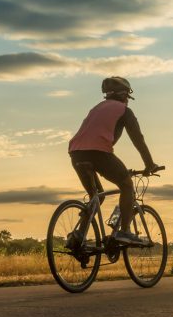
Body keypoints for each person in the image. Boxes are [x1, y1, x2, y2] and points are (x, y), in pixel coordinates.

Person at [67, 76, 159, 246]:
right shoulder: (124, 110)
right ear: (124, 95)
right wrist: (149, 164)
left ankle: (78, 235)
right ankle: (124, 231)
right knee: (126, 184)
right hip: (98, 153)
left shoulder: (97, 108)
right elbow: (138, 139)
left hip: (76, 153)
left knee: (97, 196)